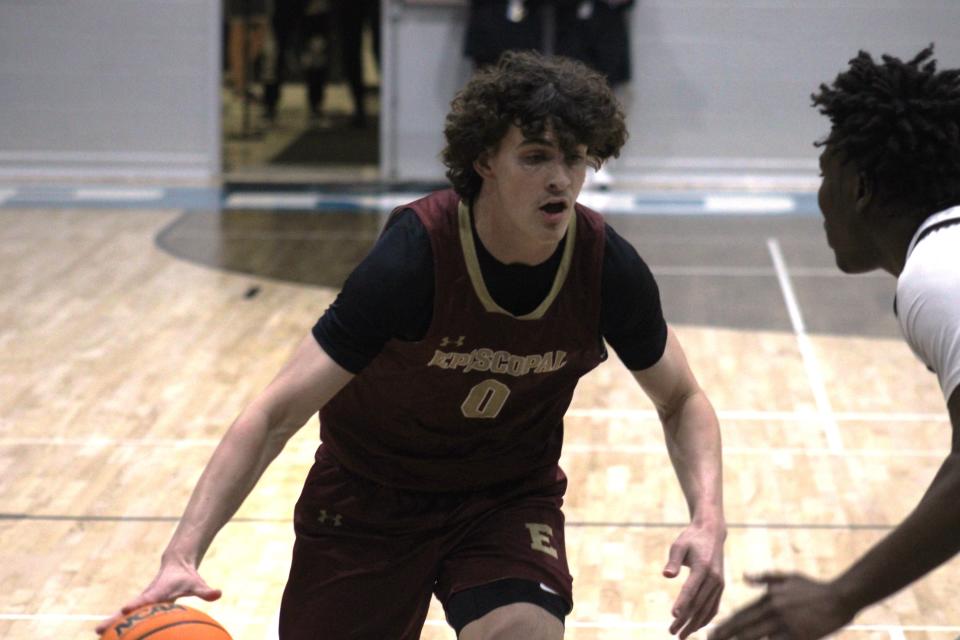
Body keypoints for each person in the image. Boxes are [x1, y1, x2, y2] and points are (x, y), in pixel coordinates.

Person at [96, 51, 726, 639]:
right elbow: (273, 414)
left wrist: (708, 519)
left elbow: (681, 398)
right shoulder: (412, 259)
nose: (560, 180)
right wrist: (183, 551)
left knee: (523, 632)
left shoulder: (604, 265)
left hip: (505, 497)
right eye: (535, 157)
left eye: (576, 159)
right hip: (370, 495)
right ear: (485, 161)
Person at [709, 45, 960, 640]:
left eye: (826, 176)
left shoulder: (939, 273)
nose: (820, 199)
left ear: (860, 187)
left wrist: (841, 596)